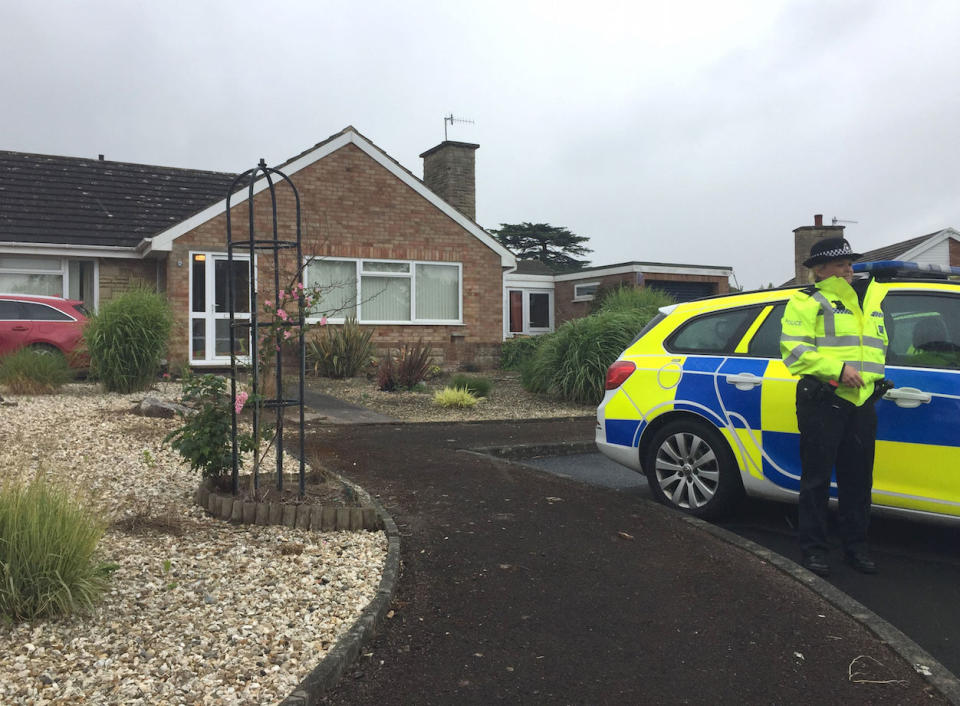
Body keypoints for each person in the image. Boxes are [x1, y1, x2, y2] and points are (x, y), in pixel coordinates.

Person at [780, 237, 888, 577]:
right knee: (816, 481)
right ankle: (814, 550)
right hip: (823, 401)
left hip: (861, 402)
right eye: (841, 265)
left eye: (850, 264)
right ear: (820, 269)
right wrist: (838, 371)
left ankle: (856, 548)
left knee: (858, 482)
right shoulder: (805, 301)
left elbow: (874, 349)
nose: (849, 270)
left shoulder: (869, 300)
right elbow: (794, 351)